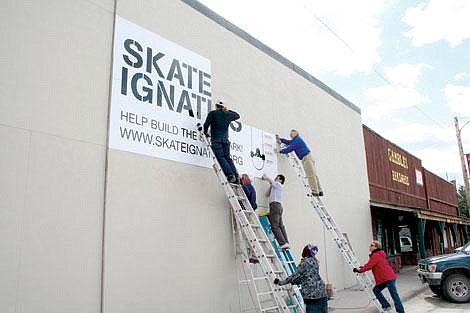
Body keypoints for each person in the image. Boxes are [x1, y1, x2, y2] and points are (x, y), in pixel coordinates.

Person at [353, 241, 405, 313]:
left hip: (388, 278)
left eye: (372, 245)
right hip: (385, 278)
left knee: (394, 295)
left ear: (376, 247)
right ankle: (386, 305)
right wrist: (362, 268)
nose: (370, 246)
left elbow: (369, 265)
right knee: (376, 290)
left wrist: (359, 270)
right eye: (370, 245)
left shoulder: (376, 255)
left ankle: (400, 311)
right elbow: (371, 264)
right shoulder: (377, 254)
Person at [274, 244, 328, 313]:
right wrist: (293, 282)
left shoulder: (305, 263)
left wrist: (281, 282)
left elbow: (295, 276)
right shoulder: (315, 261)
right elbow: (306, 277)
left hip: (312, 296)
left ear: (304, 252)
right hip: (322, 293)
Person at [203, 101, 240, 183]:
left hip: (216, 139)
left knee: (221, 158)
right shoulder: (228, 114)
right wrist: (227, 110)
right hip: (225, 141)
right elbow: (237, 115)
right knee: (228, 158)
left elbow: (206, 124)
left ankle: (230, 175)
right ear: (223, 107)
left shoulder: (213, 113)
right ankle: (237, 176)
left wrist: (205, 133)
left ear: (216, 106)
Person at [278, 130, 323, 197]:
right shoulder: (296, 140)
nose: (290, 135)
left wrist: (280, 151)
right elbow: (288, 142)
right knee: (313, 174)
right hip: (308, 157)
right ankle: (319, 190)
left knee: (310, 175)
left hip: (306, 158)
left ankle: (315, 191)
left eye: (291, 134)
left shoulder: (297, 140)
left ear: (296, 133)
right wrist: (280, 139)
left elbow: (290, 148)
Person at [262, 174, 289, 250]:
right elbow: (266, 194)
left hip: (275, 206)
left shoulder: (278, 184)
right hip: (278, 206)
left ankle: (282, 243)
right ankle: (286, 242)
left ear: (280, 180)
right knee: (281, 226)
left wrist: (266, 177)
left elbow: (271, 181)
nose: (275, 179)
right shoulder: (275, 187)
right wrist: (271, 185)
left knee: (274, 226)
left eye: (277, 178)